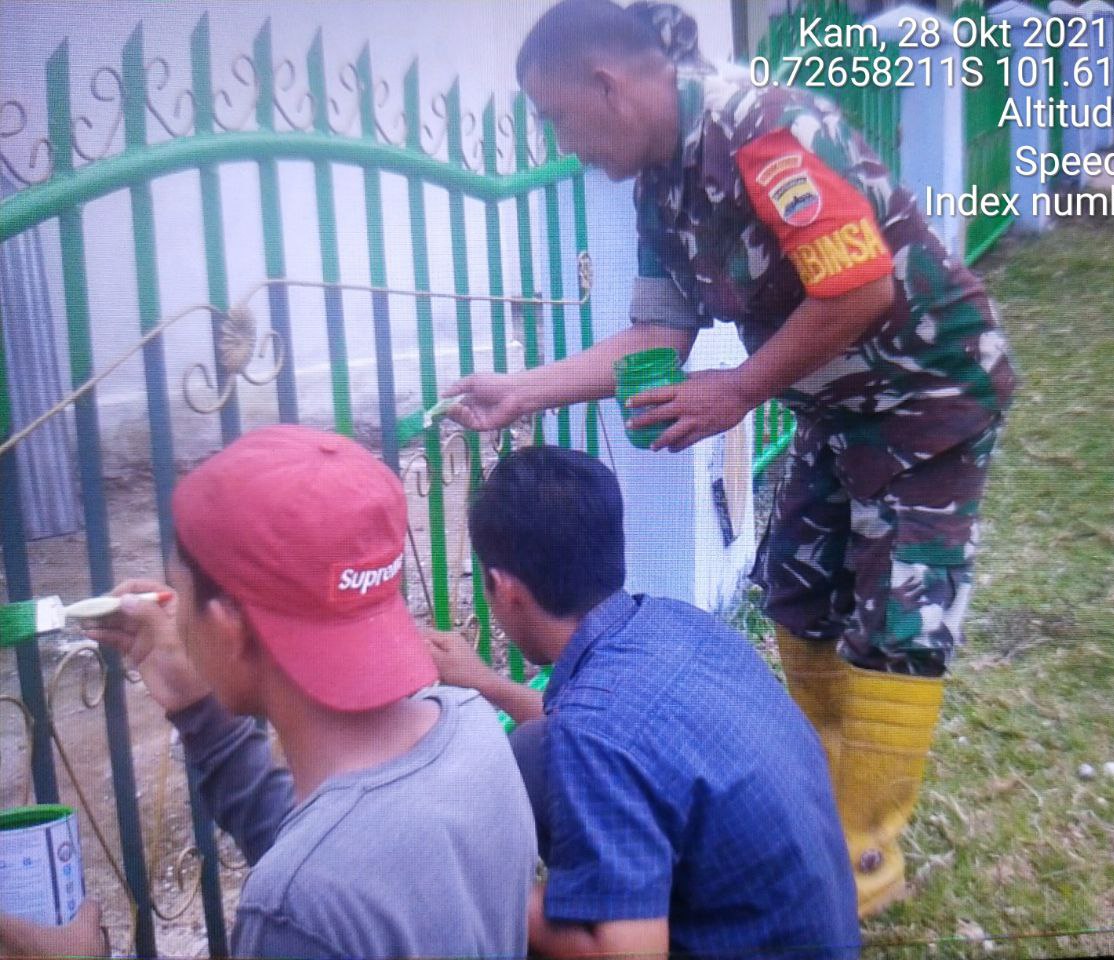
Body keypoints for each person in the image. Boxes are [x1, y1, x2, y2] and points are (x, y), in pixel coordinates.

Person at [443, 0, 1017, 916]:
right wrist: (525, 389)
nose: (561, 140)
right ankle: (821, 784)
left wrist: (741, 387)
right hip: (839, 402)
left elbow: (860, 284)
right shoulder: (659, 187)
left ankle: (865, 843)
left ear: (608, 85)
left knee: (899, 610)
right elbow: (653, 333)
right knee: (794, 583)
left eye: (557, 116)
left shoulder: (767, 129)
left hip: (928, 390)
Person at [5, 425, 537, 959]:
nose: (178, 624)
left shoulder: (292, 912)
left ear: (229, 625)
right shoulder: (470, 725)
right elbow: (332, 847)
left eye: (180, 599)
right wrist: (198, 709)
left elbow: (317, 880)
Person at [425, 444, 859, 958]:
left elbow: (628, 955)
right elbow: (615, 733)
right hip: (809, 930)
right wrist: (486, 682)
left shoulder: (594, 734)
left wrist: (477, 899)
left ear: (504, 589)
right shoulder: (671, 621)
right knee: (534, 751)